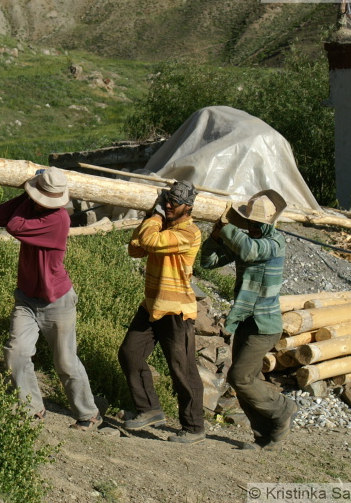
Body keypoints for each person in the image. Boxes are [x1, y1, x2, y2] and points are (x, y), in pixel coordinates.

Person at [0, 167, 102, 430]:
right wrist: (28, 193)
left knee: (65, 362)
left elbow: (13, 225)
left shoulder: (58, 219)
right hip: (27, 299)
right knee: (16, 353)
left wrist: (30, 191)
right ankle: (32, 408)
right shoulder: (33, 208)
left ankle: (89, 414)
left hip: (57, 301)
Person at [200, 189, 297, 451]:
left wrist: (227, 227)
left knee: (240, 377)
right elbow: (208, 262)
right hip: (246, 320)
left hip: (265, 325)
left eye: (256, 225)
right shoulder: (248, 239)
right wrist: (215, 236)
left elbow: (249, 251)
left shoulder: (274, 242)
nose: (252, 228)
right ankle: (267, 436)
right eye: (249, 223)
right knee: (245, 380)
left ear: (268, 224)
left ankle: (283, 408)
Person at [118, 180, 205, 444]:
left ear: (187, 207)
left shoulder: (189, 233)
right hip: (152, 305)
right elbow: (135, 249)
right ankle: (149, 409)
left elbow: (150, 240)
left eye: (173, 203)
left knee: (182, 370)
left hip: (176, 310)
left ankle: (194, 427)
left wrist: (155, 216)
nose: (168, 206)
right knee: (130, 354)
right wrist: (152, 218)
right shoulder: (162, 228)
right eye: (166, 200)